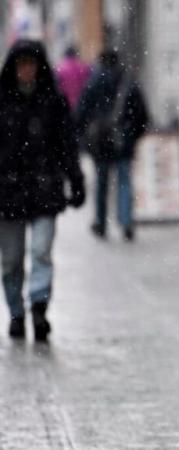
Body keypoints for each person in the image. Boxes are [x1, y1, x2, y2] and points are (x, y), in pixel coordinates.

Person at [0, 39, 85, 341]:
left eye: (31, 64)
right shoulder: (3, 102)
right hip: (8, 193)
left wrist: (76, 181)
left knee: (40, 252)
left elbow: (67, 147)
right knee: (10, 261)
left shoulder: (53, 101)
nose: (26, 70)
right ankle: (16, 312)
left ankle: (38, 306)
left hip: (44, 189)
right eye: (21, 64)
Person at [77, 50, 149, 241]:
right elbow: (141, 113)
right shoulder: (128, 82)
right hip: (123, 139)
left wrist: (85, 136)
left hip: (100, 141)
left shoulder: (93, 82)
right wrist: (133, 135)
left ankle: (101, 222)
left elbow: (82, 113)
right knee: (124, 181)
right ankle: (125, 221)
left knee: (101, 183)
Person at [55, 45, 91, 114]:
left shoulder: (60, 68)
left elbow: (57, 85)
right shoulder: (83, 67)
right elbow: (88, 83)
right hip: (81, 102)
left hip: (66, 102)